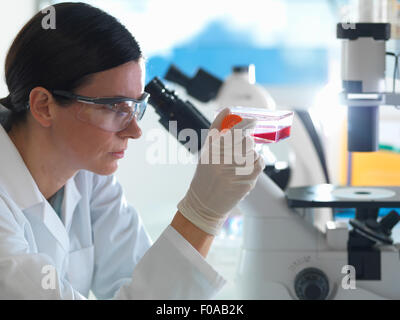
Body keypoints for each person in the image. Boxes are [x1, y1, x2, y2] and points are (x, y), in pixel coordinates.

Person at [0, 2, 264, 299]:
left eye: (136, 106)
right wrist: (201, 215)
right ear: (44, 106)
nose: (135, 131)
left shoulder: (88, 175)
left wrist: (204, 215)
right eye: (114, 107)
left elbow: (141, 287)